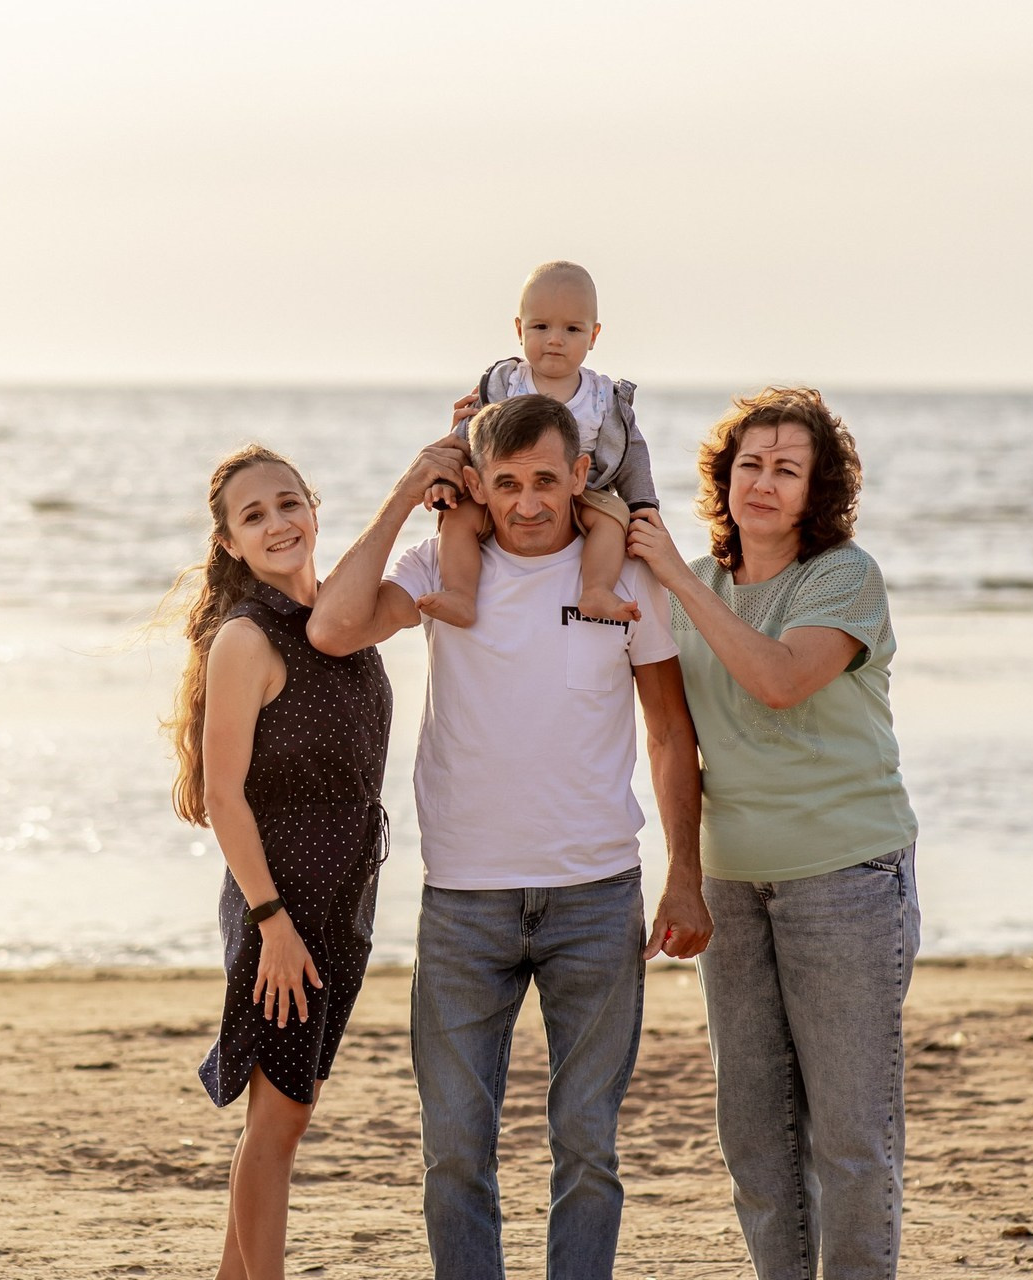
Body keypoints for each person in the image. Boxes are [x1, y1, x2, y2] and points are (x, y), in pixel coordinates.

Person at [307, 394, 713, 1280]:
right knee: (455, 1151)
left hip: (596, 897)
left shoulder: (625, 577)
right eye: (506, 484)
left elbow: (669, 735)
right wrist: (407, 488)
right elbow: (331, 627)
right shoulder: (436, 565)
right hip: (465, 902)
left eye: (544, 481)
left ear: (579, 474)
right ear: (477, 486)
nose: (528, 503)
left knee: (588, 1146)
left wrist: (685, 874)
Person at [627, 387, 921, 1280]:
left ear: (815, 490)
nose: (762, 482)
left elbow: (781, 680)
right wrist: (682, 874)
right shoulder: (695, 585)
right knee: (754, 1134)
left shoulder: (843, 577)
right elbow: (674, 743)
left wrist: (677, 579)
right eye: (749, 464)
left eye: (786, 470)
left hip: (847, 878)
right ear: (724, 477)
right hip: (732, 885)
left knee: (851, 1135)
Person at [162, 444, 391, 1280]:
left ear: (314, 509)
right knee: (280, 1121)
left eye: (289, 503)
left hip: (344, 902)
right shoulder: (247, 640)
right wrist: (273, 926)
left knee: (287, 1112)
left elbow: (438, 583)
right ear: (230, 542)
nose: (278, 523)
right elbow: (224, 797)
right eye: (254, 516)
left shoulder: (342, 617)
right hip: (280, 906)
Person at [418, 259, 658, 629]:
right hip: (507, 491)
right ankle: (461, 594)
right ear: (520, 329)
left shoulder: (602, 397)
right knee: (458, 517)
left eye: (572, 328)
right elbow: (469, 433)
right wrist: (446, 481)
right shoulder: (505, 383)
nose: (555, 339)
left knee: (613, 521)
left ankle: (596, 590)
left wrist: (642, 504)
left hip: (584, 492)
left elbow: (633, 451)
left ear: (593, 335)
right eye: (541, 326)